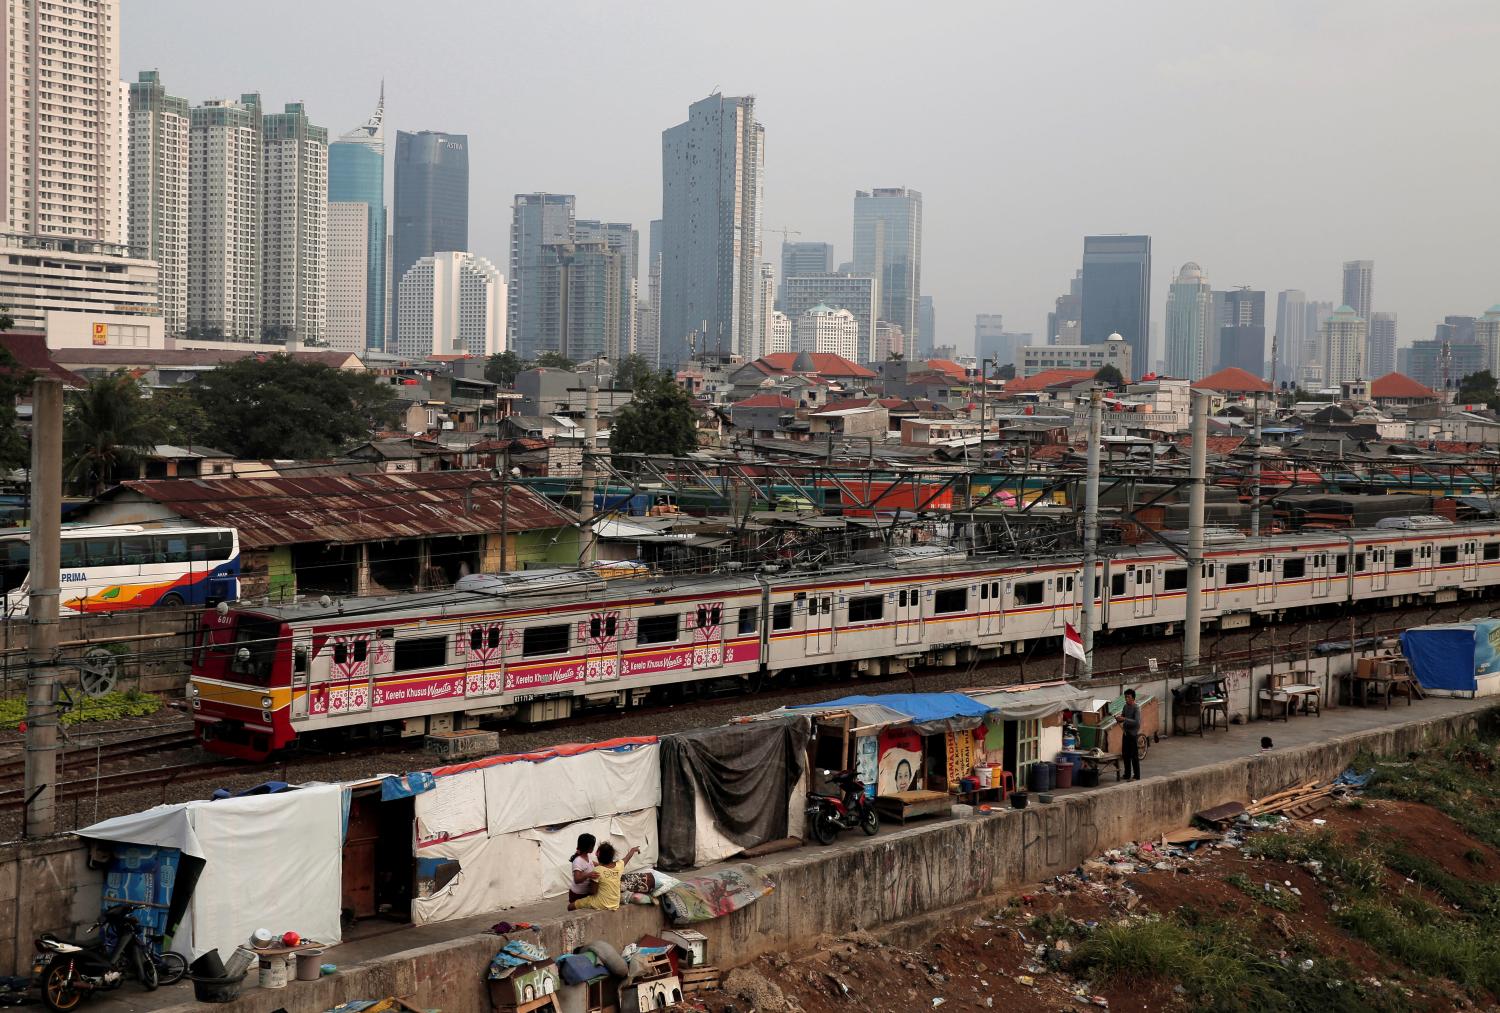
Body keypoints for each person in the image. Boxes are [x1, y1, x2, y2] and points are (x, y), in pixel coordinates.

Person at [571, 841, 641, 912]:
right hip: (615, 903)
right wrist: (633, 850)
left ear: (597, 854)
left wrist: (588, 879)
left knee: (571, 906)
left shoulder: (598, 870)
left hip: (601, 904)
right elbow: (627, 858)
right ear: (612, 856)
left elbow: (593, 892)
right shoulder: (618, 866)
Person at [566, 833, 596, 911]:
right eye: (592, 845)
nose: (593, 847)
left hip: (586, 893)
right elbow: (577, 879)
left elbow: (590, 864)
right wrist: (588, 875)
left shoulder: (586, 856)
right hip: (578, 895)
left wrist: (604, 865)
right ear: (587, 847)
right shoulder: (578, 861)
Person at [1120, 689, 1142, 781]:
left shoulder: (1136, 708)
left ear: (1133, 698)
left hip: (1132, 734)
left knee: (1134, 756)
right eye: (1125, 697)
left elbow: (1136, 722)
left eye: (1128, 697)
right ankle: (1127, 774)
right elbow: (1123, 716)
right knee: (1125, 755)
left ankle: (1136, 776)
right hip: (1125, 734)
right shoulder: (1125, 706)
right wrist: (1119, 718)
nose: (1126, 699)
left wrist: (1124, 719)